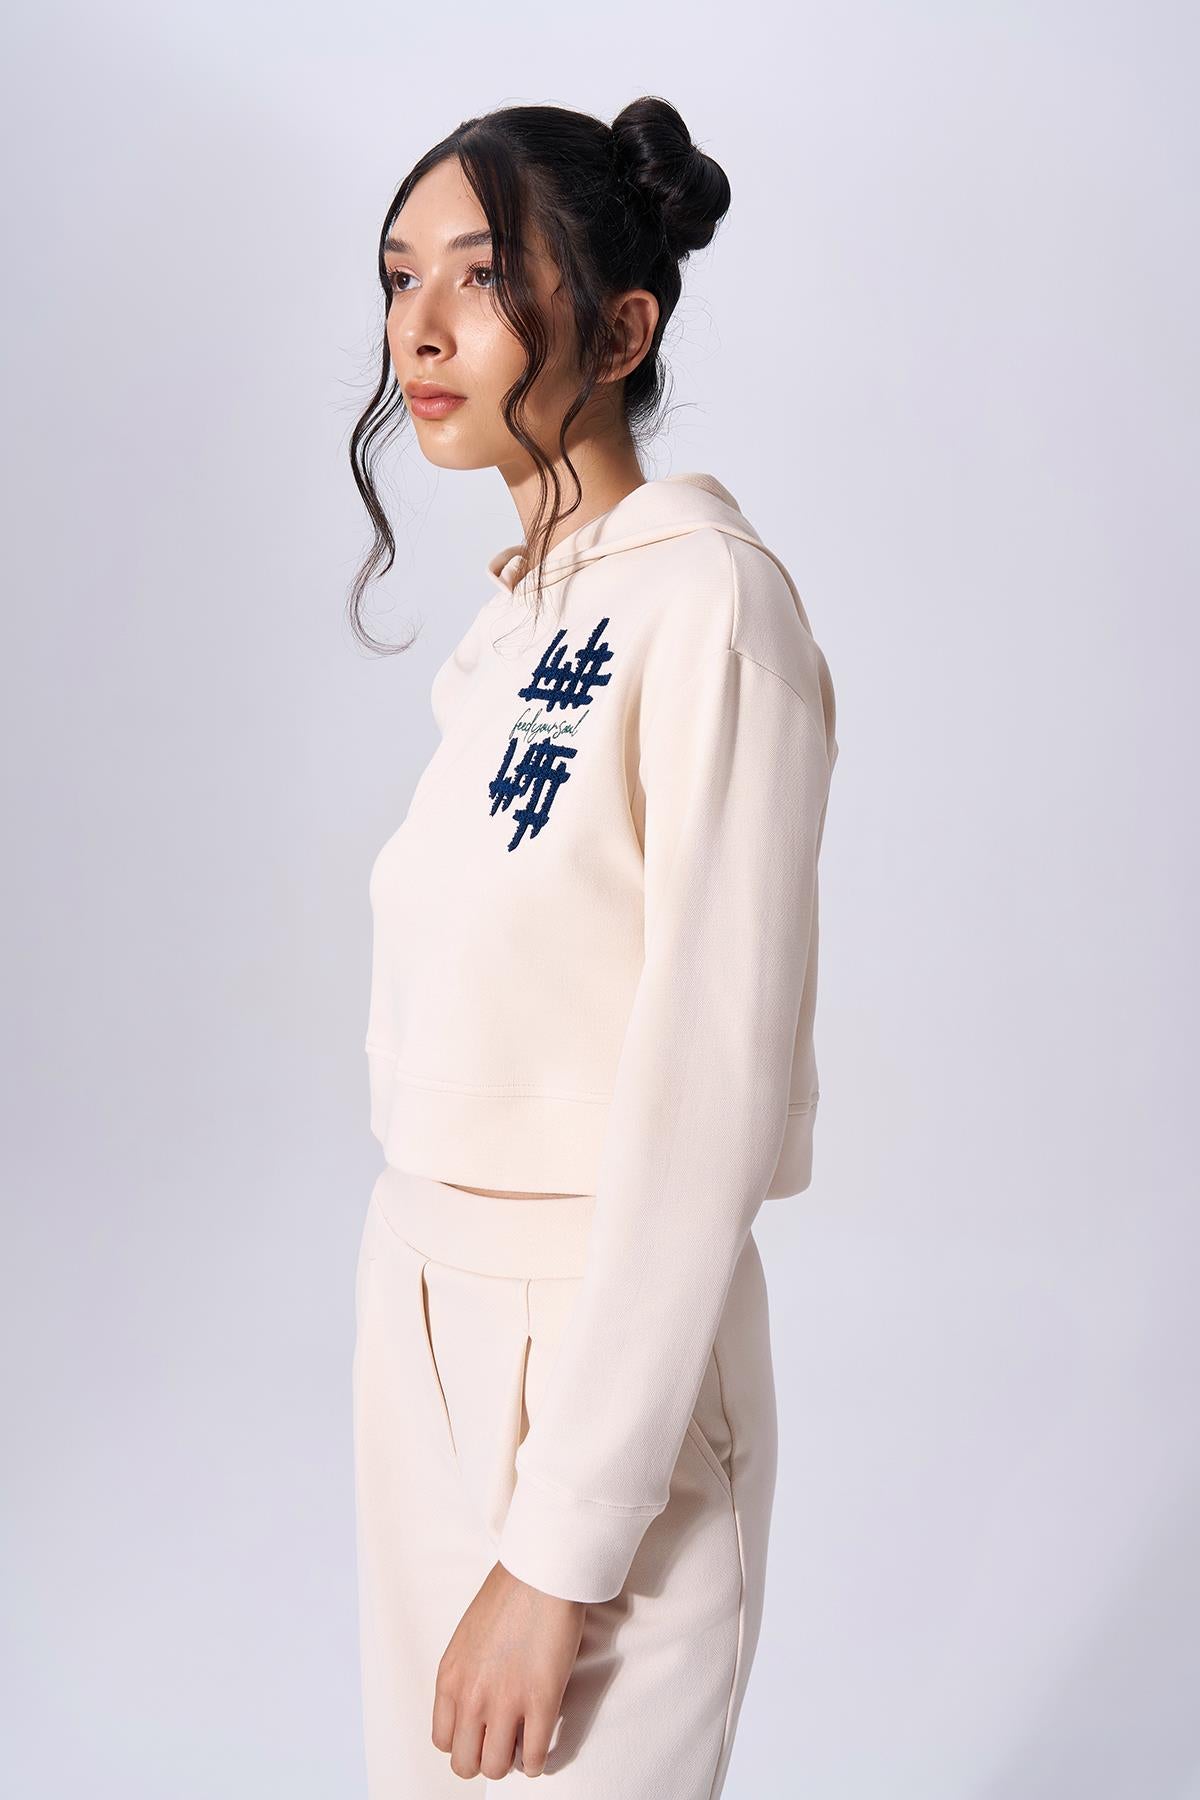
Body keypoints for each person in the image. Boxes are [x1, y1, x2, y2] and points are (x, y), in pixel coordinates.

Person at [346, 95, 838, 1796]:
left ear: (622, 332)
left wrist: (557, 1555)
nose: (421, 329)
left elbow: (707, 1110)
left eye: (482, 278)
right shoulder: (525, 618)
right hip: (417, 1308)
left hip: (602, 1341)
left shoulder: (711, 605)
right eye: (399, 276)